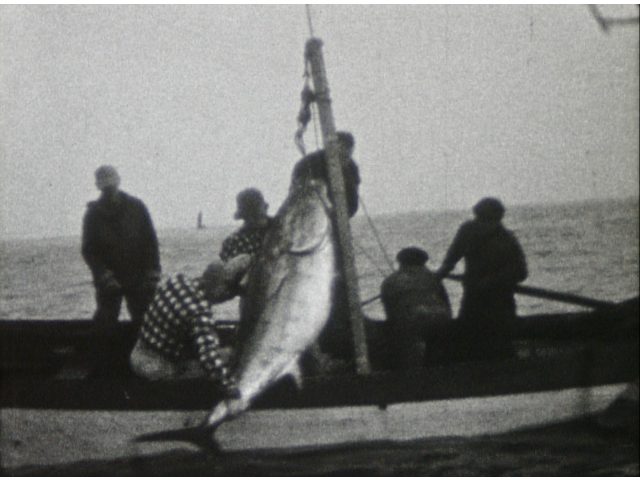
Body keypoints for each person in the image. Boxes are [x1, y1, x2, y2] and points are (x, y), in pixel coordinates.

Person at [291, 131, 362, 363]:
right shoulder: (308, 164)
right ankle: (318, 342)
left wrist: (340, 215)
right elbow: (297, 197)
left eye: (348, 152)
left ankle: (343, 338)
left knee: (340, 280)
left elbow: (351, 202)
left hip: (338, 229)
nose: (345, 156)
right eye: (341, 150)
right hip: (314, 230)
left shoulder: (350, 168)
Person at [129, 255, 251, 385]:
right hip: (156, 368)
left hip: (137, 354)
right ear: (220, 290)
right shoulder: (200, 312)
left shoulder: (177, 280)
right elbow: (210, 359)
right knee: (228, 356)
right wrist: (230, 385)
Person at [436, 197, 528, 361]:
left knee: (471, 342)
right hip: (501, 300)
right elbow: (521, 273)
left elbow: (450, 262)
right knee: (501, 343)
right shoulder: (508, 237)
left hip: (477, 298)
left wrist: (433, 279)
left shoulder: (469, 230)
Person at [82, 165, 161, 334]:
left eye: (111, 182)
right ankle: (102, 359)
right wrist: (104, 275)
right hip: (109, 281)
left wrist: (153, 272)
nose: (109, 187)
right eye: (105, 184)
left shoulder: (137, 207)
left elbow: (151, 242)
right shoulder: (93, 214)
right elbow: (89, 250)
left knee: (147, 323)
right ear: (98, 186)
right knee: (105, 324)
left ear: (118, 181)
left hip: (139, 278)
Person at [380, 247, 452, 369]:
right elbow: (446, 302)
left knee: (409, 347)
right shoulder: (433, 278)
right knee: (437, 347)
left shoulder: (390, 281)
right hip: (441, 319)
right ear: (423, 262)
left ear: (400, 262)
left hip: (412, 322)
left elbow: (390, 310)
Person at [290, 131, 361, 218]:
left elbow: (353, 204)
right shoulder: (309, 163)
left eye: (347, 156)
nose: (343, 161)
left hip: (336, 219)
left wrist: (337, 214)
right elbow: (295, 195)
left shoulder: (352, 169)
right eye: (340, 154)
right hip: (308, 216)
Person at [219, 188, 273, 262]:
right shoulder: (233, 242)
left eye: (260, 216)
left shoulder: (281, 228)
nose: (260, 221)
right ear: (245, 218)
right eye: (253, 216)